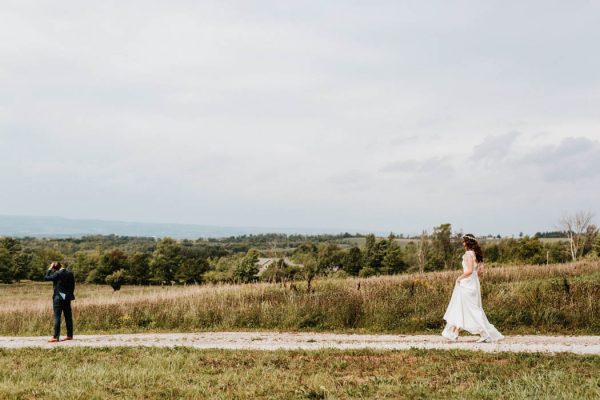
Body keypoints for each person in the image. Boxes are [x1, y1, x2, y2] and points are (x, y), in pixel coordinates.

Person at [441, 234, 503, 342]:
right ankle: (455, 333)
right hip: (474, 283)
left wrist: (459, 278)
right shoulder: (477, 254)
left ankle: (484, 334)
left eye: (464, 241)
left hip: (467, 284)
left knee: (471, 309)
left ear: (468, 243)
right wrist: (475, 278)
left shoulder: (468, 254)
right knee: (463, 308)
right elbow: (481, 271)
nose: (463, 243)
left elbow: (469, 271)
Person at [44, 262, 75, 343]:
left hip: (58, 297)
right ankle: (69, 335)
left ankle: (56, 337)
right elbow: (73, 285)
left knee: (57, 317)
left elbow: (46, 277)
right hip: (67, 297)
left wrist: (49, 269)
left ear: (55, 269)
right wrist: (69, 295)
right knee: (68, 316)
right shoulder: (70, 273)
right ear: (61, 266)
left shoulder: (57, 274)